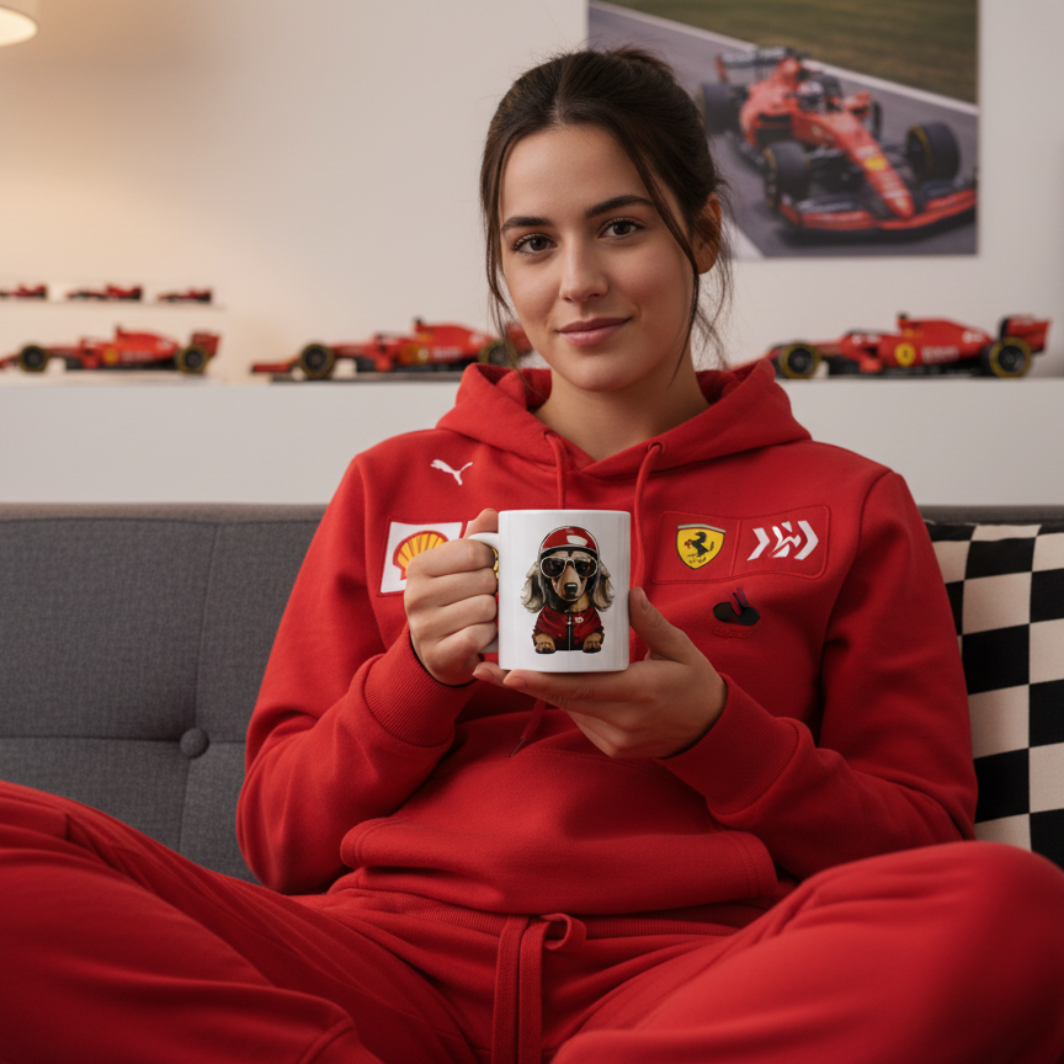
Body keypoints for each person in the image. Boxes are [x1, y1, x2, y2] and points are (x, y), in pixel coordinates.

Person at [4, 47, 1064, 1064]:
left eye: (618, 227)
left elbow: (916, 845)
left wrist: (714, 733)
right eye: (532, 243)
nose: (578, 282)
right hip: (380, 965)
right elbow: (280, 839)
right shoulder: (392, 482)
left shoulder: (847, 502)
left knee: (1019, 910)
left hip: (688, 981)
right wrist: (414, 679)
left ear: (700, 233)